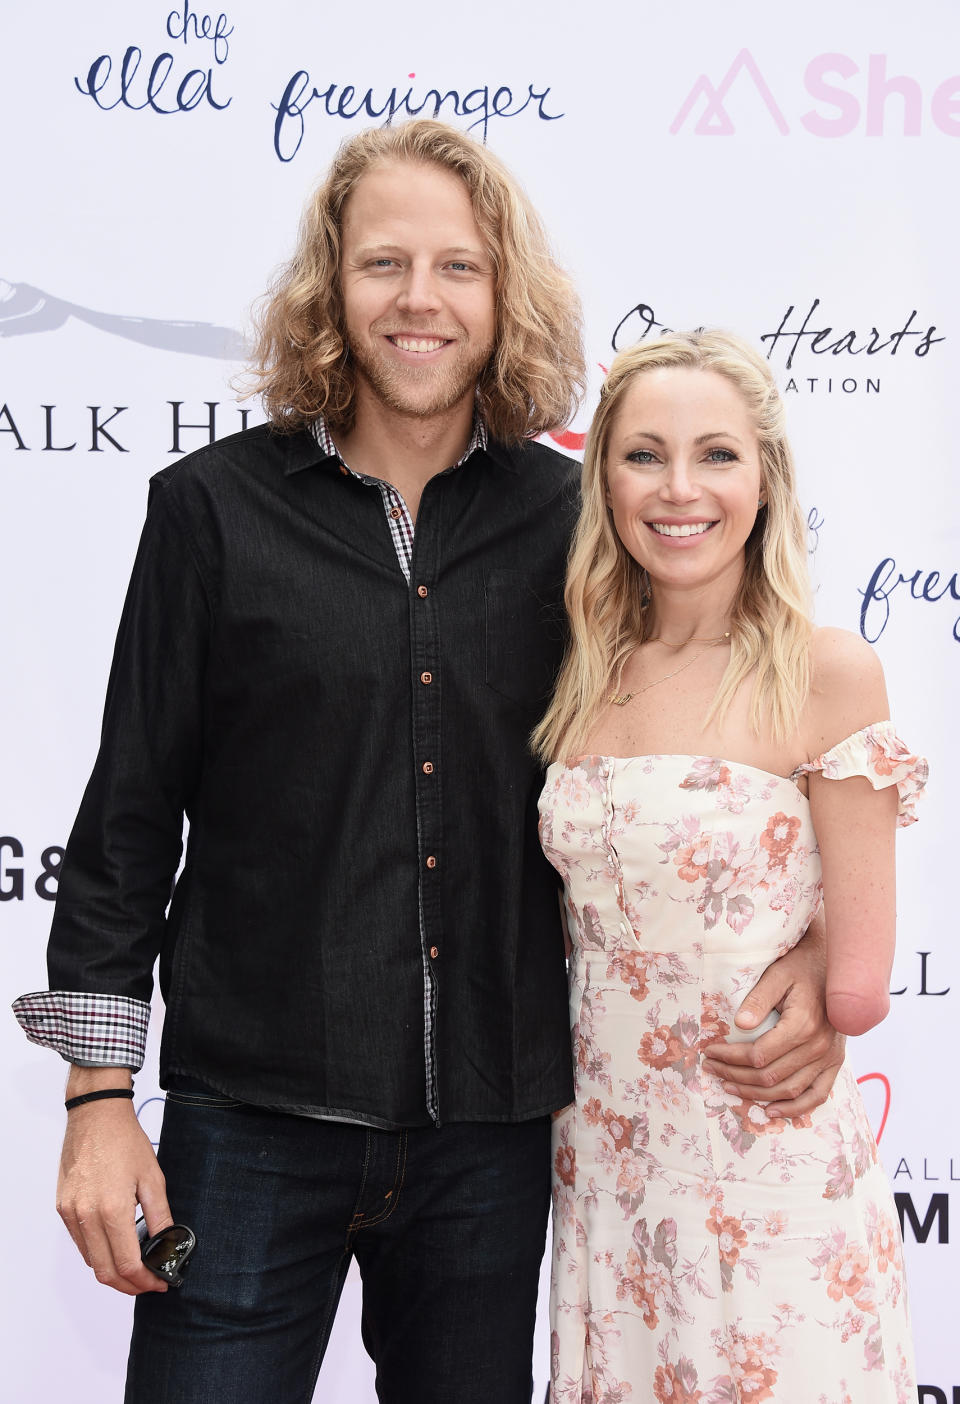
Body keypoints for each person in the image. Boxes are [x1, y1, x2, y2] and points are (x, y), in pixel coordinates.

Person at [14, 129, 841, 1404]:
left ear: (503, 297)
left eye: (459, 266)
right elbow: (126, 823)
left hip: (493, 1145)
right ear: (328, 290)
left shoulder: (578, 523)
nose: (419, 298)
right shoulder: (211, 512)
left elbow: (721, 729)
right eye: (383, 262)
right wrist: (96, 1100)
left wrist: (812, 955)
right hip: (249, 1119)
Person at [534, 329, 927, 1404]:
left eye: (716, 455)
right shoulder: (580, 670)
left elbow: (854, 979)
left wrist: (817, 966)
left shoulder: (828, 670)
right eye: (644, 454)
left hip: (764, 1154)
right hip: (607, 1158)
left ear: (766, 480)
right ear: (603, 478)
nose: (679, 489)